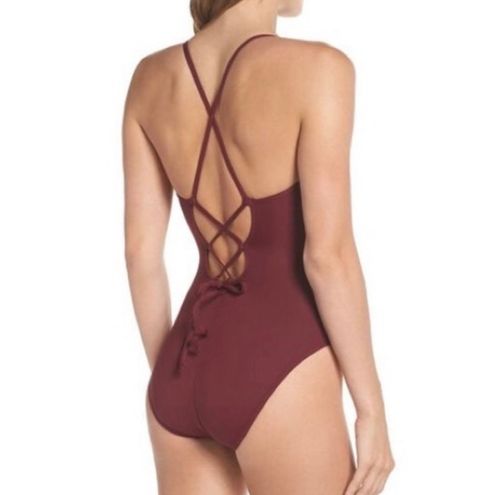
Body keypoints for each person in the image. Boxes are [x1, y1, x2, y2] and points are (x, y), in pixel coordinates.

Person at [122, 0, 394, 493]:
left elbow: (140, 253)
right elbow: (327, 258)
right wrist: (370, 409)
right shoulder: (320, 69)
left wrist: (173, 379)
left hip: (183, 364)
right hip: (281, 361)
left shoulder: (149, 78)